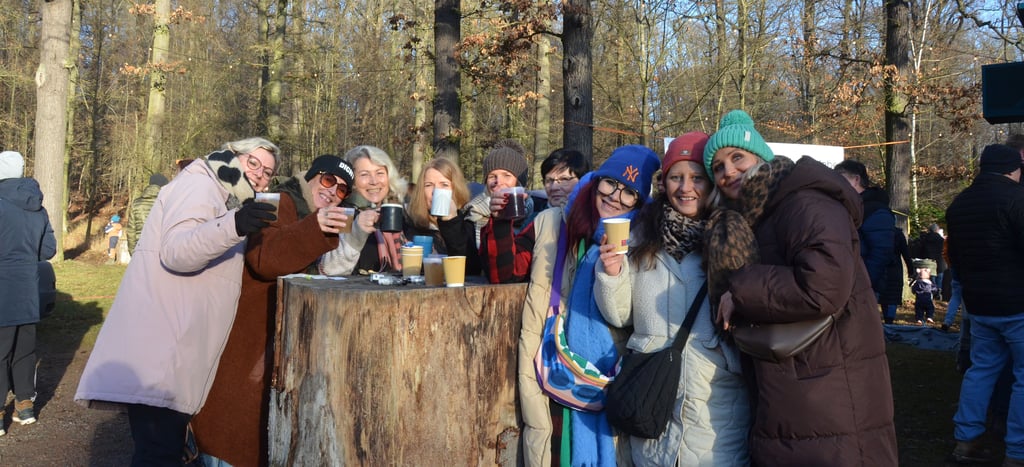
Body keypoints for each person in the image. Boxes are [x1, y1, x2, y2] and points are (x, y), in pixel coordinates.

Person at [701, 110, 898, 465]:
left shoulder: (803, 200)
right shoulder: (761, 214)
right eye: (717, 167)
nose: (728, 171)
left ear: (760, 157)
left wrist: (740, 288)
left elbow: (823, 286)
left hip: (829, 387)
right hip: (799, 385)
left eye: (736, 158)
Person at [75, 137, 280, 465]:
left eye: (268, 172)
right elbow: (178, 253)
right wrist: (235, 225)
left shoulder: (225, 196)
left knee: (163, 452)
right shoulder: (201, 185)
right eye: (253, 163)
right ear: (232, 157)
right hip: (161, 351)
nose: (259, 175)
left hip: (173, 349)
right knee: (158, 455)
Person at [485, 144, 660, 466]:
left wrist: (615, 272)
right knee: (552, 450)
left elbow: (634, 315)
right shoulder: (553, 223)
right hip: (549, 363)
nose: (614, 197)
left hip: (609, 374)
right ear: (596, 181)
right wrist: (498, 222)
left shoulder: (646, 241)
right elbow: (505, 272)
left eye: (629, 192)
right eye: (610, 184)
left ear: (640, 200)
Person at [594, 133, 750, 466]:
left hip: (716, 404)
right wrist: (611, 273)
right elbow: (620, 316)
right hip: (652, 401)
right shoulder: (640, 236)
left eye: (696, 178)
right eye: (676, 177)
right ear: (663, 184)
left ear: (711, 185)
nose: (685, 187)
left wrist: (726, 359)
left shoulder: (735, 236)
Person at [191, 154, 355, 466]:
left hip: (267, 354)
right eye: (328, 179)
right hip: (245, 350)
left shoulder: (305, 212)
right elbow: (265, 258)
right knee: (229, 442)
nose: (333, 191)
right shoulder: (279, 201)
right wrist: (316, 228)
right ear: (310, 176)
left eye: (342, 189)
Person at [945, 143, 1024, 466]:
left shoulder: (959, 203)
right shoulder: (1017, 199)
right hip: (1017, 302)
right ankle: (1017, 452)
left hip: (979, 304)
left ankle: (966, 440)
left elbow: (957, 258)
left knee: (981, 371)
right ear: (1012, 169)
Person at [0, 150, 57, 436]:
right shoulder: (38, 206)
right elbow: (48, 250)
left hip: (2, 288)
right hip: (28, 289)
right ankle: (25, 408)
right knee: (24, 351)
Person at [319, 145, 407, 275]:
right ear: (352, 183)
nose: (374, 181)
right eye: (364, 174)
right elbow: (330, 270)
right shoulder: (341, 215)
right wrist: (357, 232)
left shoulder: (400, 214)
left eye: (380, 173)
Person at [403, 157, 481, 274]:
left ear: (455, 189)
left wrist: (451, 221)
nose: (436, 191)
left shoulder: (469, 222)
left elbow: (470, 270)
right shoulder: (409, 224)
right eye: (429, 185)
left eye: (444, 185)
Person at [835, 159, 895, 296]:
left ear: (856, 180)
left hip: (861, 287)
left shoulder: (875, 211)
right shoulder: (849, 207)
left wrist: (862, 282)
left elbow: (881, 252)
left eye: (841, 179)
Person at [464, 139, 535, 249]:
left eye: (506, 175)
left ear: (519, 183)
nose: (498, 182)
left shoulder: (537, 217)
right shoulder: (473, 216)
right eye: (492, 176)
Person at [126, 173, 169, 254]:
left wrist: (133, 253)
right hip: (159, 250)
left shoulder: (136, 203)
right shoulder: (166, 203)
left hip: (140, 248)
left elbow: (131, 231)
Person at [879, 226, 913, 324]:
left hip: (882, 267)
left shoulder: (880, 233)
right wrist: (911, 269)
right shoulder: (899, 235)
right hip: (895, 268)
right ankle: (890, 318)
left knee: (884, 295)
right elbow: (906, 253)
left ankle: (886, 317)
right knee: (893, 295)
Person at [920, 223, 946, 298]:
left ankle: (931, 292)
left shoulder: (925, 239)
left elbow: (921, 250)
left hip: (928, 262)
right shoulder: (941, 240)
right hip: (940, 261)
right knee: (939, 277)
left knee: (931, 277)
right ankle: (938, 292)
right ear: (937, 230)